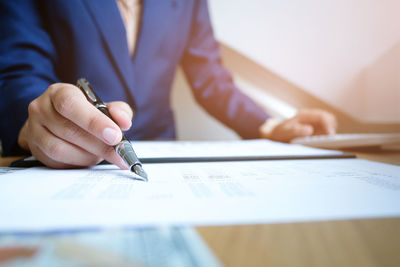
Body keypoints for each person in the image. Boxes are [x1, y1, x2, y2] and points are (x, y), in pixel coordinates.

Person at [0, 0, 336, 169]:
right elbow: (20, 70)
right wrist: (33, 122)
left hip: (167, 162)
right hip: (69, 163)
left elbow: (211, 79)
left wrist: (268, 126)